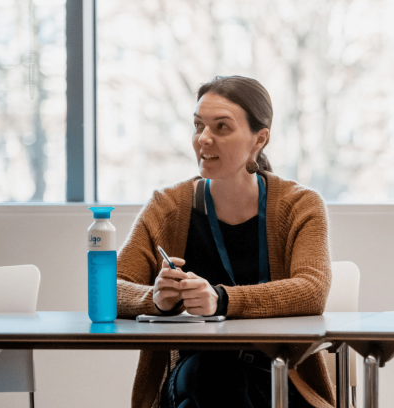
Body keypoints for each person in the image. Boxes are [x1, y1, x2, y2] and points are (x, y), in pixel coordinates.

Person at [116, 76, 334, 408]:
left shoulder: (299, 205)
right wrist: (157, 299)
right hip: (198, 372)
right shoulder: (168, 206)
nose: (204, 139)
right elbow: (109, 287)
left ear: (259, 139)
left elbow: (312, 288)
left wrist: (221, 300)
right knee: (215, 373)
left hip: (277, 377)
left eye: (221, 127)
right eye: (198, 126)